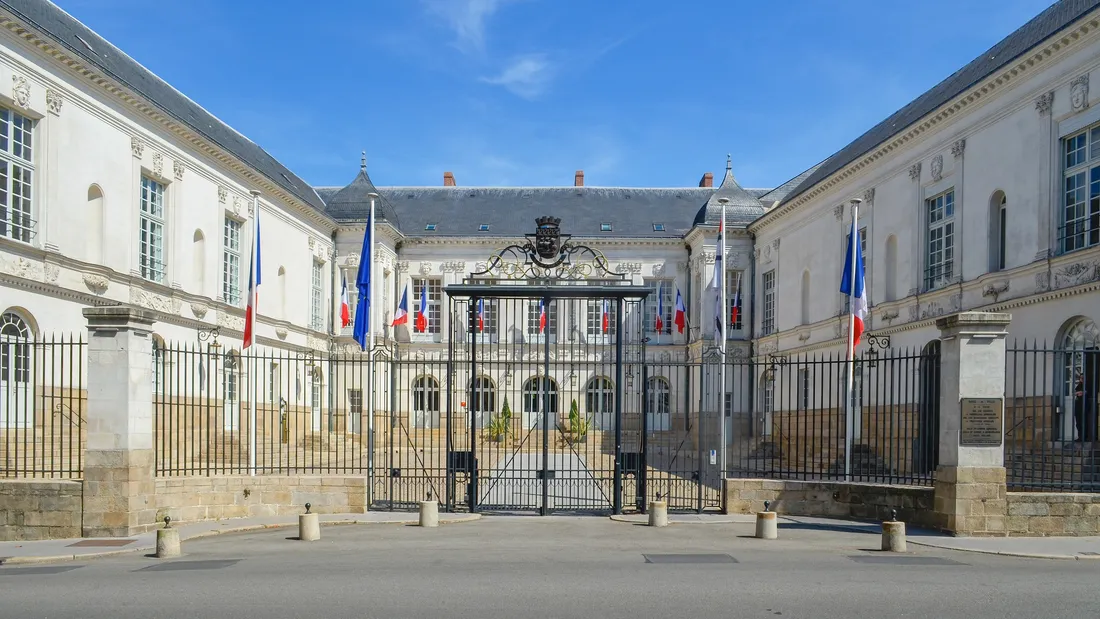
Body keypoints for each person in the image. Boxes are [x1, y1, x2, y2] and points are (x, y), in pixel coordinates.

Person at [1073, 371, 1087, 443]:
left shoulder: (1086, 385)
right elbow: (1074, 393)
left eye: (1083, 378)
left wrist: (1079, 393)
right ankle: (1079, 437)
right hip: (1077, 406)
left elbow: (1083, 393)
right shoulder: (1079, 385)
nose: (1081, 379)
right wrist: (1078, 393)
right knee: (1078, 422)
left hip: (1083, 406)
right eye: (1080, 378)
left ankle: (1083, 437)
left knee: (1082, 422)